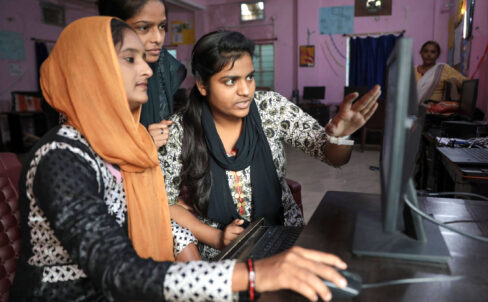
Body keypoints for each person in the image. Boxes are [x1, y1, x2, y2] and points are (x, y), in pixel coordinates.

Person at [9, 16, 350, 302]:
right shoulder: (62, 156)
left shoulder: (124, 145)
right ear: (90, 69)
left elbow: (158, 214)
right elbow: (117, 269)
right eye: (131, 58)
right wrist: (250, 273)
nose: (147, 68)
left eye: (144, 57)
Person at [159, 30, 381, 259]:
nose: (245, 91)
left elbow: (333, 157)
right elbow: (166, 202)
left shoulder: (270, 108)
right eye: (230, 81)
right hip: (219, 247)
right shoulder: (180, 130)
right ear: (203, 86)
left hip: (282, 231)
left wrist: (339, 136)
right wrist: (217, 237)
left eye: (249, 77)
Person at [98, 0, 186, 148]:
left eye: (162, 26)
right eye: (143, 27)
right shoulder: (92, 76)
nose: (158, 38)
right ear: (114, 27)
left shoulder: (164, 67)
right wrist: (144, 142)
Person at [415, 40, 467, 113]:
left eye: (433, 52)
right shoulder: (412, 70)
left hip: (435, 114)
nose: (429, 54)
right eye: (426, 51)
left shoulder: (444, 69)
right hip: (412, 111)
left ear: (438, 55)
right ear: (421, 53)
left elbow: (466, 83)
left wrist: (453, 81)